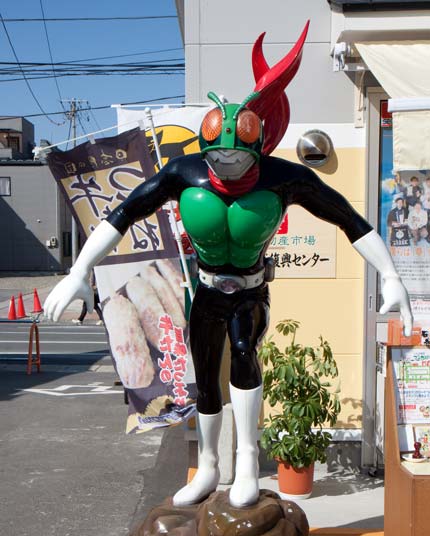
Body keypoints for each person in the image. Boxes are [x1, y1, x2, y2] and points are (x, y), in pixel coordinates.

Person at [44, 23, 412, 509]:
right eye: (218, 156)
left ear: (257, 150)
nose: (226, 165)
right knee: (204, 373)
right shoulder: (185, 173)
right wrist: (78, 272)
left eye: (237, 158)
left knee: (243, 353)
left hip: (251, 290)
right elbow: (123, 214)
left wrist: (391, 275)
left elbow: (351, 220)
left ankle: (247, 464)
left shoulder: (285, 179)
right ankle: (208, 467)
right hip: (206, 289)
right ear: (206, 150)